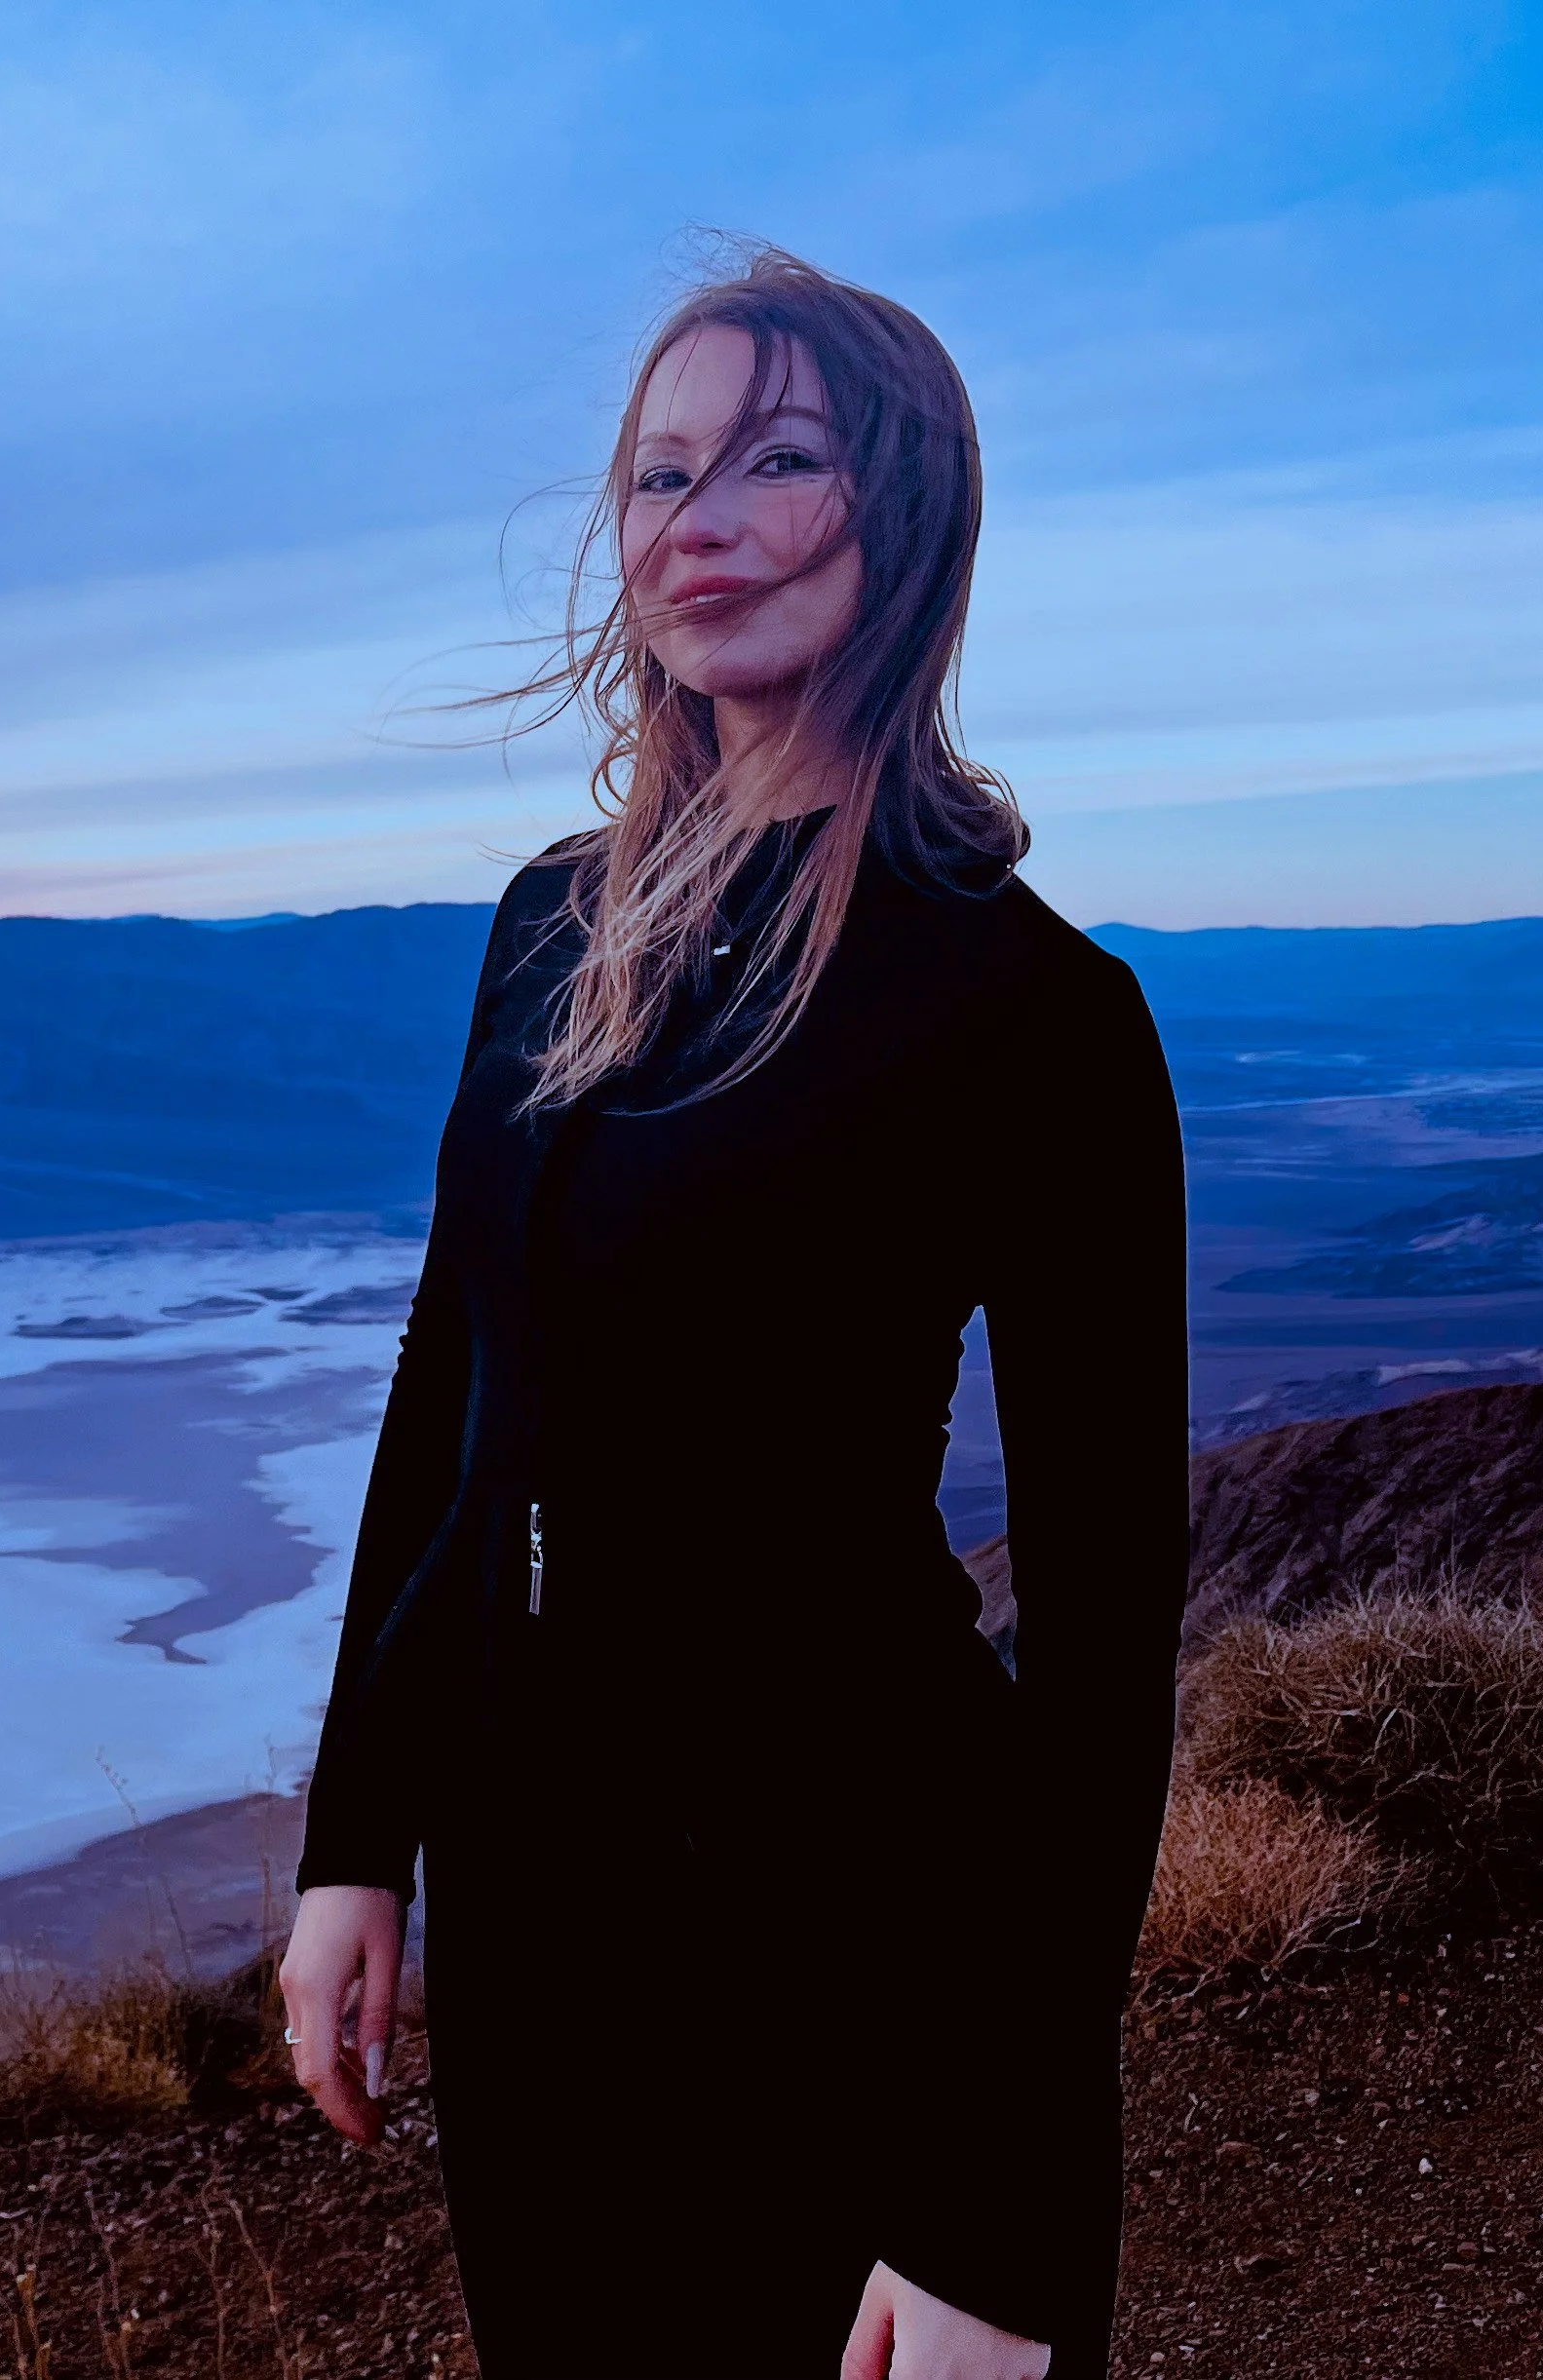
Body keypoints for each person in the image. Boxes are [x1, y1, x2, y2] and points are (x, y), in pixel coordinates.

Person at [279, 245, 1188, 2380]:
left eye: (777, 461)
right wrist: (360, 1839)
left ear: (906, 515)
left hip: (858, 1932)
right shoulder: (547, 932)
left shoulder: (1029, 1010)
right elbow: (458, 1399)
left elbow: (1105, 1634)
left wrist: (995, 2214)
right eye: (658, 474)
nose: (699, 524)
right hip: (545, 1922)